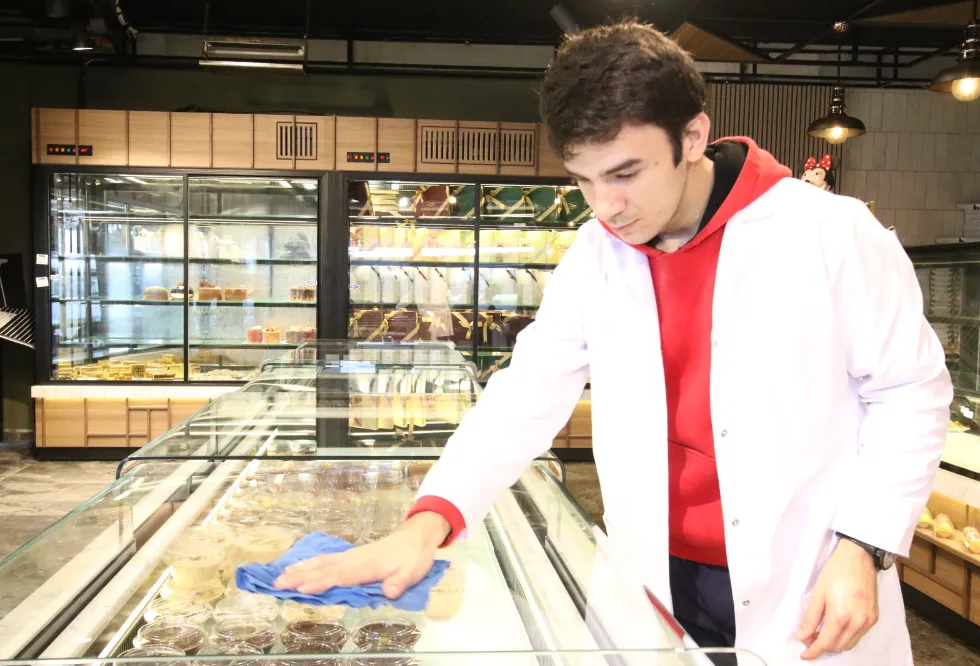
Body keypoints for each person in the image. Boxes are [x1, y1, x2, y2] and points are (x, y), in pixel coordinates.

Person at [275, 21, 952, 666]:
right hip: (652, 573)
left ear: (693, 136)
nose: (604, 206)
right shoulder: (596, 254)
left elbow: (910, 393)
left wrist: (863, 545)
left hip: (807, 571)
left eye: (626, 173)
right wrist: (424, 526)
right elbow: (524, 397)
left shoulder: (829, 233)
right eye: (584, 179)